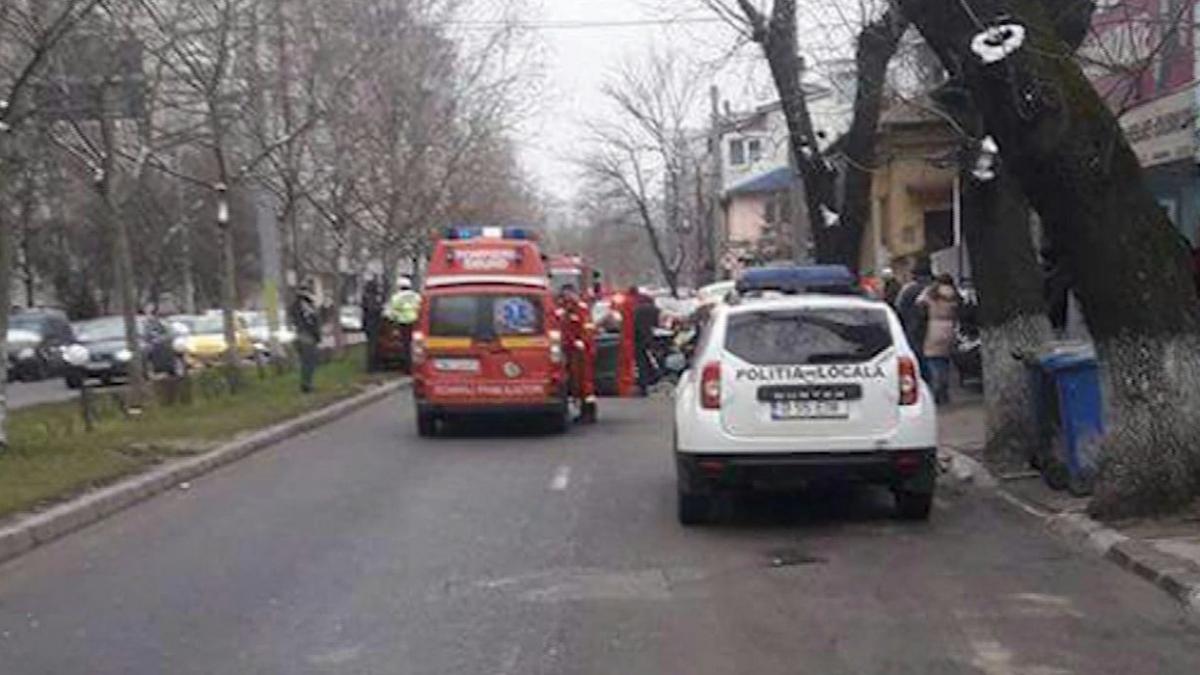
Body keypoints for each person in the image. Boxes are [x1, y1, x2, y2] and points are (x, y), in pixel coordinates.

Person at [556, 284, 597, 423]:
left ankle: (589, 412)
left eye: (568, 294)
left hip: (582, 351)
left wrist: (582, 341)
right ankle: (579, 409)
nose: (566, 297)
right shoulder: (564, 309)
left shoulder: (581, 309)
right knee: (573, 382)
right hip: (569, 350)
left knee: (585, 382)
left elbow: (587, 328)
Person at [917, 273, 961, 404]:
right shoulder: (955, 294)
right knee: (945, 361)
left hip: (934, 327)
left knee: (934, 361)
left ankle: (937, 390)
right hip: (950, 327)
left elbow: (919, 303)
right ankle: (944, 390)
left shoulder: (932, 292)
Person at [894, 258, 933, 375]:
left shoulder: (908, 289)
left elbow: (899, 307)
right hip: (932, 327)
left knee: (917, 354)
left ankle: (922, 376)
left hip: (912, 327)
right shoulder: (934, 289)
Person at [290, 279, 321, 393]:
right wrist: (316, 335)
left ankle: (307, 383)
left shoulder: (299, 304)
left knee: (307, 362)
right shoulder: (304, 305)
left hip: (302, 335)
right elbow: (311, 321)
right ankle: (306, 385)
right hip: (307, 336)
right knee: (308, 362)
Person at [384, 277, 421, 373]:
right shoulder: (416, 296)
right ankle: (417, 367)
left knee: (406, 346)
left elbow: (390, 312)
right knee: (417, 346)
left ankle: (407, 368)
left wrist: (392, 320)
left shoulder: (396, 297)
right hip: (417, 323)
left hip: (403, 323)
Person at [631, 286, 660, 396]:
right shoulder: (651, 308)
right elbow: (657, 322)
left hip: (637, 338)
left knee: (641, 361)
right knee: (645, 359)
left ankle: (644, 383)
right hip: (648, 337)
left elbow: (633, 323)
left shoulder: (636, 309)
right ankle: (651, 378)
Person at [360, 277, 384, 372]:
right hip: (372, 324)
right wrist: (380, 309)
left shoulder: (367, 297)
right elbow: (372, 310)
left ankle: (374, 365)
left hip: (370, 323)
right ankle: (371, 367)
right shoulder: (370, 298)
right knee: (372, 346)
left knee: (373, 345)